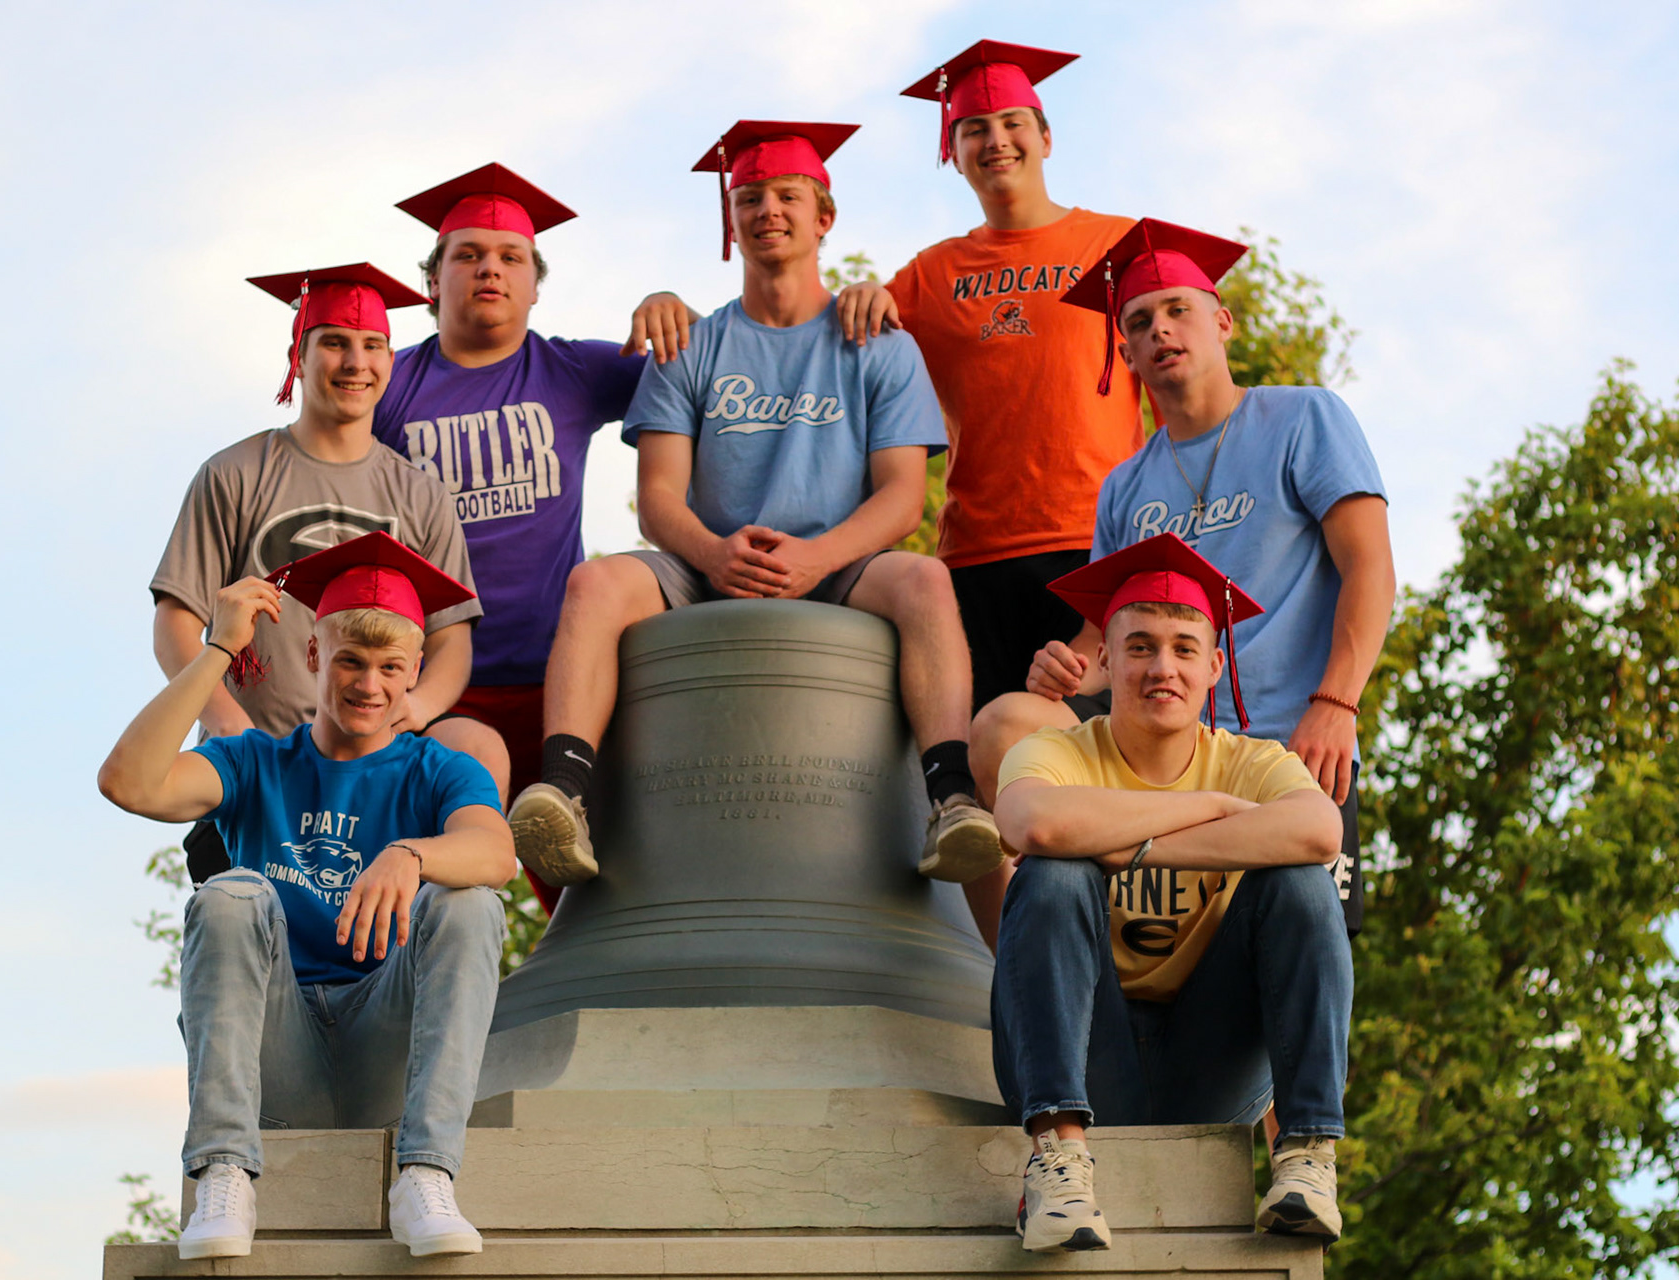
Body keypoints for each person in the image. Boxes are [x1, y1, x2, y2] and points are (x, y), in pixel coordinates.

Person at [626, 43, 1142, 949]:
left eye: (1011, 124)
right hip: (976, 560)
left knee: (1116, 791)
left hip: (1091, 555)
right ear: (952, 150)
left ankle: (1155, 1020)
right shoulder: (933, 274)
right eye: (972, 128)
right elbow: (829, 322)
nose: (994, 142)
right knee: (989, 803)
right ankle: (1008, 997)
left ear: (1046, 134)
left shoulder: (1114, 245)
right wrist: (673, 294)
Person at [506, 119, 1001, 889]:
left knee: (925, 581)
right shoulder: (690, 346)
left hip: (839, 563)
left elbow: (903, 497)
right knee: (595, 583)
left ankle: (951, 796)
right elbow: (658, 497)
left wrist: (817, 557)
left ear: (822, 217)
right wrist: (711, 553)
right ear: (730, 223)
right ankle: (563, 791)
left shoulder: (879, 342)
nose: (767, 209)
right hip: (705, 562)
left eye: (787, 196)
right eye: (749, 198)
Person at [100, 532, 515, 1260]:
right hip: (277, 1052)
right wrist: (219, 650)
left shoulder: (437, 770)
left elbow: (498, 853)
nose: (370, 685)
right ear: (314, 656)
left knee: (470, 899)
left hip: (387, 1046)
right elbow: (129, 783)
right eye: (351, 661)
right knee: (230, 893)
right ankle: (223, 1172)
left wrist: (410, 853)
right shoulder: (254, 761)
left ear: (415, 672)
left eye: (391, 667)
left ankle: (425, 1174)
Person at [980, 219, 1395, 934]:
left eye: (1178, 310)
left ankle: (1127, 866)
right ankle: (1019, 961)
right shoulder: (1125, 486)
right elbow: (1100, 647)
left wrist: (1336, 703)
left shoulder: (1303, 419)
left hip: (1281, 748)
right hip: (1155, 751)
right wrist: (1066, 670)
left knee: (1291, 957)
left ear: (1221, 322)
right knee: (1006, 721)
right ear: (1126, 352)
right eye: (1140, 321)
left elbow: (1372, 567)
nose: (1161, 330)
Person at [991, 534, 1352, 1251]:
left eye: (1185, 648)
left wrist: (1133, 844)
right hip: (1090, 1052)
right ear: (1103, 660)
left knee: (1302, 886)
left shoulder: (1253, 760)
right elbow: (1031, 821)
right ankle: (1058, 1164)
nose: (1164, 667)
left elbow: (1319, 832)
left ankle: (1308, 1156)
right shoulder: (1060, 752)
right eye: (1140, 647)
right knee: (1052, 870)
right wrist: (1215, 809)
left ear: (1214, 666)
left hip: (1211, 1063)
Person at [150, 262, 502, 881]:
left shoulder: (420, 496)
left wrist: (417, 708)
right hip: (259, 771)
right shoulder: (234, 475)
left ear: (391, 362)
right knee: (241, 939)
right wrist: (231, 726)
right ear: (299, 356)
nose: (354, 362)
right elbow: (177, 620)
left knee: (392, 948)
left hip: (375, 779)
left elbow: (451, 641)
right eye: (334, 342)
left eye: (373, 346)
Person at [376, 164, 648, 911]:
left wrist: (668, 310)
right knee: (440, 892)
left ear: (535, 285)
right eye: (466, 255)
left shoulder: (575, 370)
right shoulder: (389, 387)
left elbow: (715, 381)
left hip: (569, 685)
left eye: (509, 257)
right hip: (439, 693)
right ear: (431, 282)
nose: (488, 267)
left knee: (602, 899)